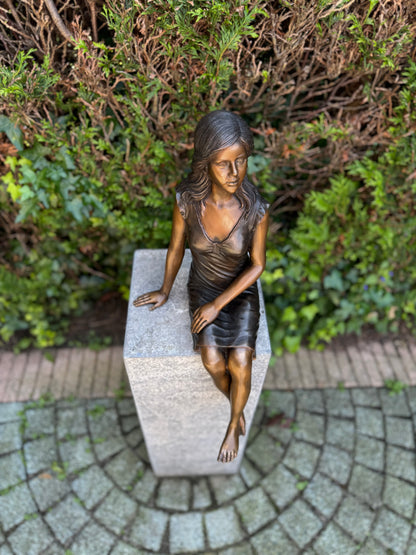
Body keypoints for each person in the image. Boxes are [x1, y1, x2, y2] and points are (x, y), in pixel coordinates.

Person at [133, 110, 269, 463]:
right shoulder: (186, 202)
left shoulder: (256, 208)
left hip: (238, 294)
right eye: (224, 164)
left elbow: (257, 266)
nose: (235, 173)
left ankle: (231, 424)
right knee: (212, 361)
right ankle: (239, 409)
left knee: (240, 362)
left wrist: (218, 306)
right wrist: (165, 289)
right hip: (204, 287)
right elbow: (177, 247)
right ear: (206, 162)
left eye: (241, 161)